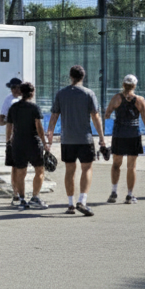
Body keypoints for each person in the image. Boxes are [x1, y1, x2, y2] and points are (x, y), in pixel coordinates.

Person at [45, 64, 106, 217]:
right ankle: (82, 201)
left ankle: (71, 204)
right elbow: (95, 117)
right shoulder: (88, 93)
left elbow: (53, 118)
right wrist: (102, 139)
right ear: (83, 77)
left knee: (69, 171)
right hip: (84, 139)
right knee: (87, 169)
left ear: (70, 76)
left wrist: (49, 138)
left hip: (67, 139)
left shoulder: (61, 94)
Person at [103, 74, 145, 203]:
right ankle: (129, 195)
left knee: (116, 165)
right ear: (135, 85)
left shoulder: (116, 98)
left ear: (123, 84)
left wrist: (116, 113)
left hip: (119, 134)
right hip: (133, 135)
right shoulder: (140, 100)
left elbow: (107, 115)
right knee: (131, 167)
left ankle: (114, 192)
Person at [5, 81, 48, 210]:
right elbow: (39, 128)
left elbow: (9, 127)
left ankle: (22, 199)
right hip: (33, 143)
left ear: (21, 92)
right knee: (39, 170)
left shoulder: (14, 107)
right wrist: (45, 143)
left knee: (20, 172)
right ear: (32, 92)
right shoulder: (34, 108)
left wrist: (8, 142)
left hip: (18, 143)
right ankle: (35, 197)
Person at [0, 77, 24, 205]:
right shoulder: (9, 100)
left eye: (16, 87)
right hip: (14, 138)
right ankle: (15, 194)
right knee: (15, 167)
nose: (14, 90)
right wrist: (10, 121)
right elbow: (0, 120)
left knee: (23, 167)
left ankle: (23, 193)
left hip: (26, 137)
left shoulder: (25, 99)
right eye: (12, 87)